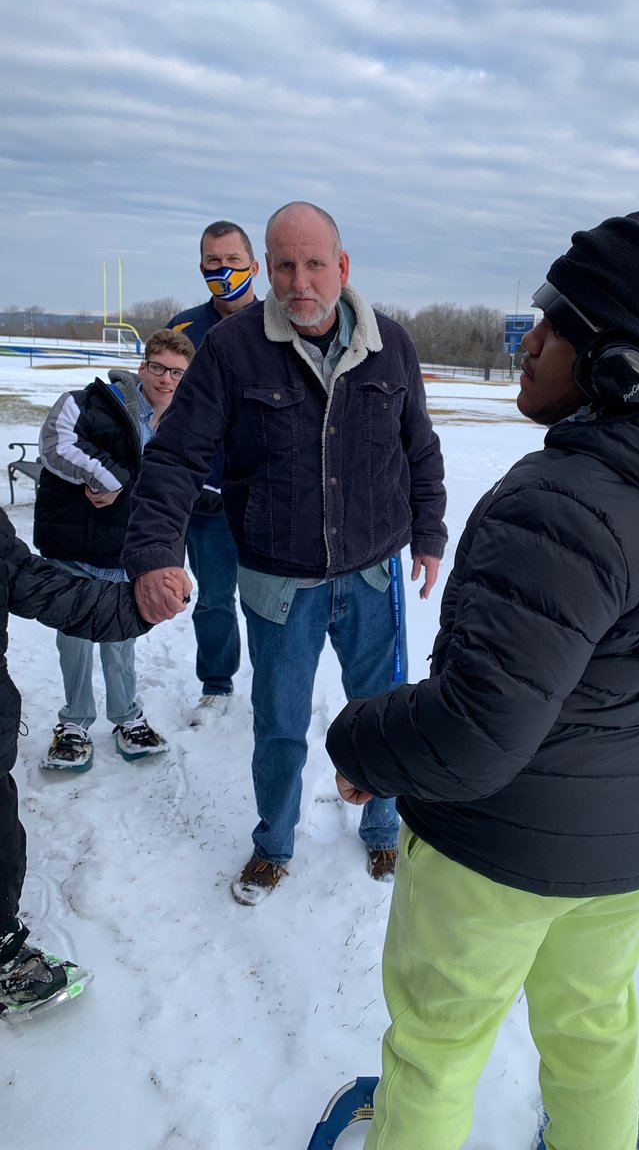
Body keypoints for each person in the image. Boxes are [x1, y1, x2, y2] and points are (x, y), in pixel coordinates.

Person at [326, 208, 639, 1150]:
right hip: (635, 847)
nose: (529, 341)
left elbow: (473, 732)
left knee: (434, 1049)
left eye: (553, 324)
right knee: (592, 1030)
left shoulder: (556, 504)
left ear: (616, 365)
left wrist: (360, 744)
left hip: (497, 852)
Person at [123, 202, 447, 901]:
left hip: (371, 574)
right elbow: (177, 457)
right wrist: (153, 552)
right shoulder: (232, 348)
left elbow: (418, 445)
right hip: (277, 583)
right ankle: (273, 842)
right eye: (286, 265)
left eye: (316, 264)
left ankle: (385, 829)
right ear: (268, 268)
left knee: (379, 713)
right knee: (278, 728)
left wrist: (429, 531)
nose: (302, 281)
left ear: (343, 267)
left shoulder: (390, 343)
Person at [0, 508, 187, 1021]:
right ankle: (76, 719)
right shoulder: (66, 428)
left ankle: (0, 948)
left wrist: (139, 603)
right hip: (75, 539)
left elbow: (25, 577)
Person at [33, 328, 195, 770]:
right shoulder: (95, 403)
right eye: (158, 368)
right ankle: (74, 723)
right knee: (76, 638)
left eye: (177, 373)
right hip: (76, 543)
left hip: (126, 552)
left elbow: (175, 485)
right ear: (143, 368)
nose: (166, 380)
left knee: (121, 637)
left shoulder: (183, 424)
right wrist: (112, 478)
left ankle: (126, 717)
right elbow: (56, 443)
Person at [168, 220, 261, 726]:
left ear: (254, 263)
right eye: (212, 262)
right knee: (215, 598)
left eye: (231, 259)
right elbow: (160, 402)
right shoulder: (184, 329)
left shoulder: (281, 323)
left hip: (268, 495)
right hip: (207, 500)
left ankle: (274, 683)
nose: (223, 271)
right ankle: (217, 683)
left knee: (274, 600)